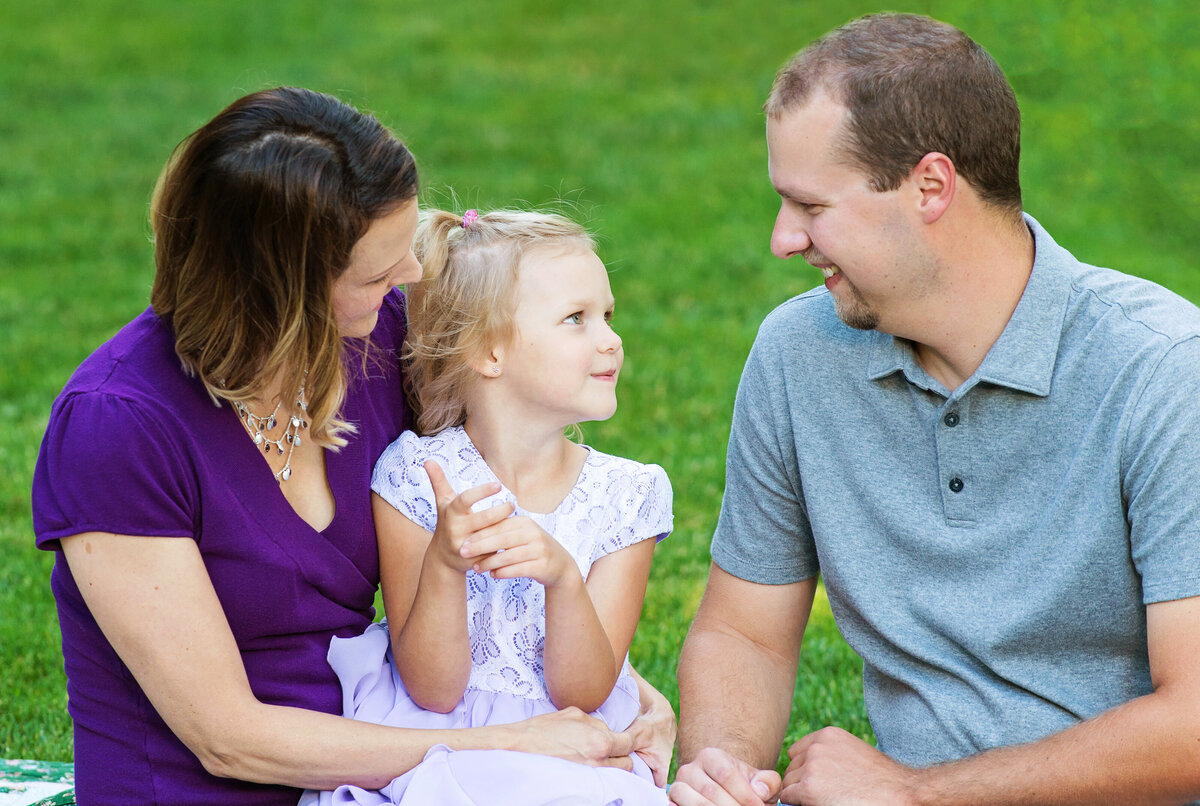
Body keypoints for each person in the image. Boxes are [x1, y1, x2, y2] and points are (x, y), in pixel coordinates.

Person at [30, 88, 674, 805]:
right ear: (282, 288)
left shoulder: (372, 340)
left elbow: (499, 565)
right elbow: (226, 735)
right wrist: (505, 745)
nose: (413, 278)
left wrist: (626, 699)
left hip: (392, 760)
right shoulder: (118, 427)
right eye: (377, 270)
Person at [671, 12, 1200, 806]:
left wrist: (918, 792)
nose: (784, 239)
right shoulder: (798, 355)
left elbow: (1193, 723)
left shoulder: (1163, 372)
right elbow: (743, 630)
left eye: (811, 207)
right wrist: (723, 767)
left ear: (930, 186)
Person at [303, 208, 673, 805]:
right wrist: (444, 564)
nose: (611, 339)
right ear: (489, 352)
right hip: (436, 746)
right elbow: (433, 688)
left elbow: (584, 691)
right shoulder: (417, 477)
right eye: (576, 319)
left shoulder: (628, 496)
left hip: (570, 749)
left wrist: (564, 580)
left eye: (608, 315)